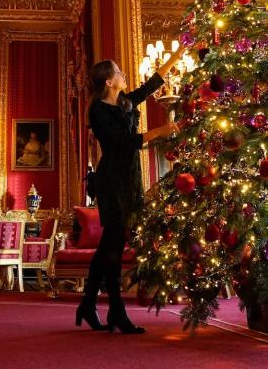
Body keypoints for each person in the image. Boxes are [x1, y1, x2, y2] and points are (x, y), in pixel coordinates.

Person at [76, 45, 187, 334]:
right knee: (112, 246)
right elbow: (122, 144)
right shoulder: (99, 111)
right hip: (112, 180)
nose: (124, 74)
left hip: (131, 177)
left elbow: (151, 85)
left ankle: (89, 304)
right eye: (118, 72)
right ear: (108, 81)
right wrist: (159, 132)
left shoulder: (124, 102)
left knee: (108, 247)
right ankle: (116, 310)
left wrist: (177, 55)